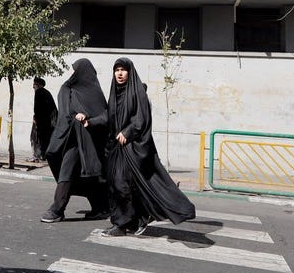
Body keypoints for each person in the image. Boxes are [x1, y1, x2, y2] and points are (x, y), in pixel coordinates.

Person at [101, 58, 195, 237]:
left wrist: (127, 132)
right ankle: (138, 219)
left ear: (130, 72)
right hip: (116, 149)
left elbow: (141, 118)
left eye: (123, 70)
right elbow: (108, 116)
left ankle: (122, 225)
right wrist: (89, 121)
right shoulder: (114, 94)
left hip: (132, 148)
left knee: (121, 185)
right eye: (117, 70)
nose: (119, 73)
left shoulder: (138, 93)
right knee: (119, 185)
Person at [41, 60, 109, 223]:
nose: (72, 74)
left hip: (85, 141)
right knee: (83, 174)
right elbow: (66, 114)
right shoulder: (81, 89)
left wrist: (88, 120)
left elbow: (106, 116)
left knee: (71, 172)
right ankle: (100, 207)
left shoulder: (79, 90)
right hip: (76, 139)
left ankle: (57, 210)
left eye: (74, 71)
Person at [30, 77, 57, 162]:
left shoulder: (39, 92)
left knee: (35, 137)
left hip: (42, 120)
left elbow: (37, 108)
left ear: (38, 84)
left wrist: (36, 119)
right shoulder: (46, 92)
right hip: (49, 121)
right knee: (45, 139)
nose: (33, 86)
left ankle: (37, 156)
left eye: (34, 84)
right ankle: (43, 156)